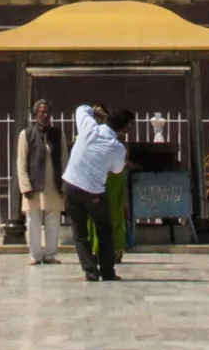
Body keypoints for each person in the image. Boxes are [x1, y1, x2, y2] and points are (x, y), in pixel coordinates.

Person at [62, 102, 133, 281]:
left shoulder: (89, 128)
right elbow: (117, 170)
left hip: (70, 186)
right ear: (122, 129)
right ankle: (108, 272)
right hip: (93, 192)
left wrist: (96, 113)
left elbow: (80, 109)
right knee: (104, 230)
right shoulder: (117, 147)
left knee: (79, 233)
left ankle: (91, 272)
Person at [16, 97, 68, 264]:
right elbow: (21, 162)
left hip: (53, 185)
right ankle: (35, 255)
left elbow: (65, 160)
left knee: (53, 221)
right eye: (42, 112)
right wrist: (25, 186)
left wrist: (64, 184)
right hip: (33, 186)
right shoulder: (26, 134)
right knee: (33, 222)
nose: (45, 115)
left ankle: (50, 255)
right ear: (35, 114)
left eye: (47, 112)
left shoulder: (58, 135)